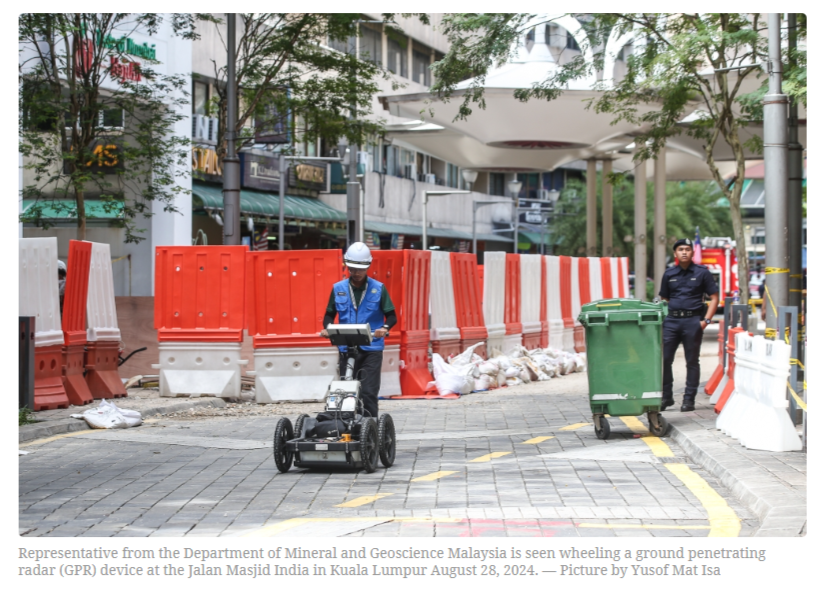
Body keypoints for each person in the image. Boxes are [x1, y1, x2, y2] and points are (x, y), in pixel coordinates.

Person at [320, 242, 398, 419]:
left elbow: (392, 316)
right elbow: (329, 315)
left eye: (360, 269)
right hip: (346, 347)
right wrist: (327, 329)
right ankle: (343, 425)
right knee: (345, 389)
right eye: (352, 268)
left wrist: (384, 328)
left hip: (371, 348)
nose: (356, 273)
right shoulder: (338, 288)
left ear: (368, 266)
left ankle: (370, 428)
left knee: (368, 392)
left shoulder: (378, 289)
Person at [659, 238, 719, 412]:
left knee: (692, 361)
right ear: (675, 253)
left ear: (692, 252)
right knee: (665, 360)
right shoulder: (669, 274)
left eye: (687, 249)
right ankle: (666, 397)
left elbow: (714, 298)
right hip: (671, 321)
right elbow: (665, 298)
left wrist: (705, 321)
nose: (684, 252)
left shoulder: (702, 272)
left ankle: (689, 399)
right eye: (680, 249)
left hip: (693, 322)